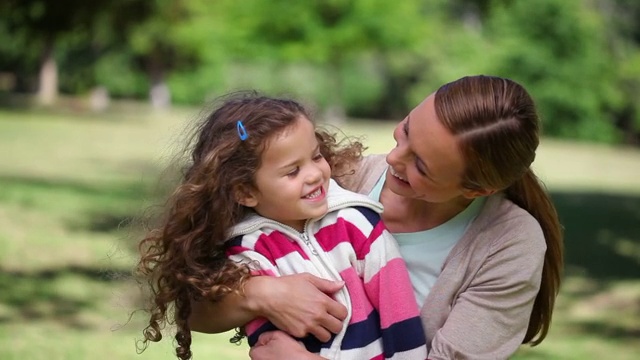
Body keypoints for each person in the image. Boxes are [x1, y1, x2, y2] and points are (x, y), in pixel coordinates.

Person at [188, 75, 564, 360]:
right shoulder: (336, 178)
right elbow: (194, 309)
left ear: (475, 190)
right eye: (406, 131)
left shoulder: (509, 243)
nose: (391, 159)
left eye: (420, 165)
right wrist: (262, 294)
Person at [135, 92, 428, 360]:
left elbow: (400, 315)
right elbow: (265, 344)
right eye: (293, 171)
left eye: (316, 156)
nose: (315, 174)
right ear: (245, 192)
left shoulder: (357, 224)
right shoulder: (247, 251)